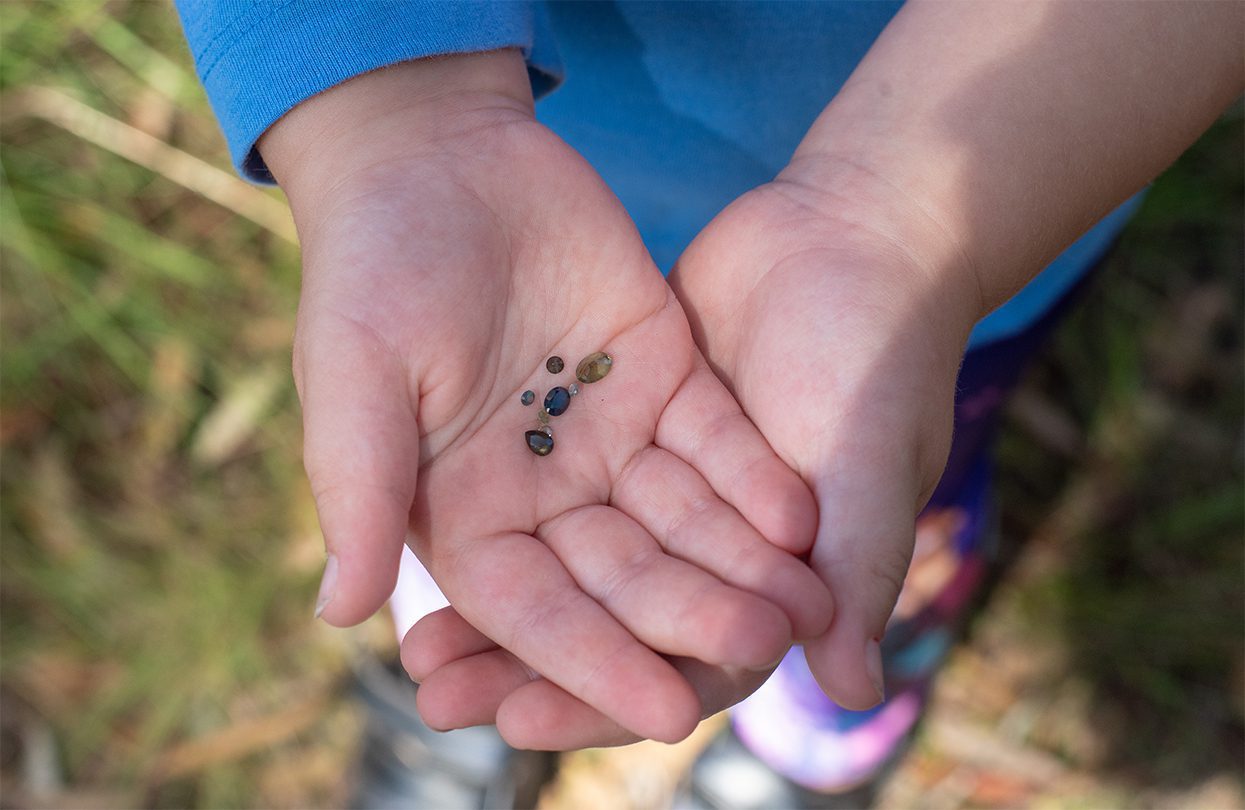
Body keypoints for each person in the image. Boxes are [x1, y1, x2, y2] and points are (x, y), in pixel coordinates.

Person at [175, 0, 1243, 798]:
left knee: (858, 506)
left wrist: (901, 219)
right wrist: (390, 109)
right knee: (455, 465)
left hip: (982, 195)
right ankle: (470, 634)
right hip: (522, 174)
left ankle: (819, 728)